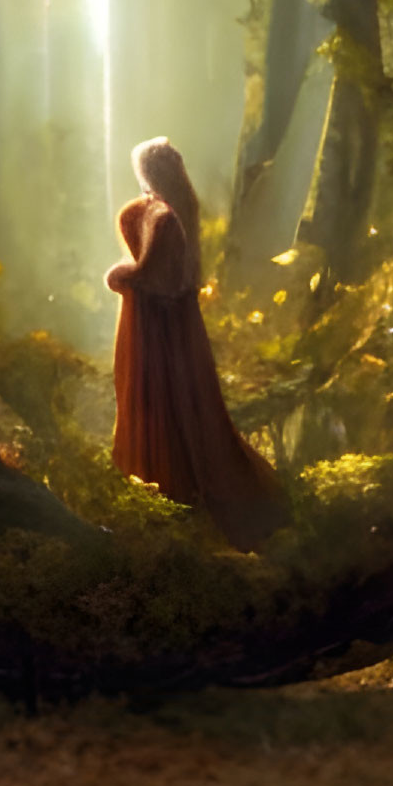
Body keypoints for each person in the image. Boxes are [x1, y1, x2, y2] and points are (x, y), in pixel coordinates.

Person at [106, 136, 287, 550]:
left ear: (151, 172)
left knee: (164, 400)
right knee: (173, 400)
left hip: (155, 326)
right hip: (167, 325)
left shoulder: (167, 217)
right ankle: (163, 486)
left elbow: (151, 274)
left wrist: (119, 277)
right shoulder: (172, 211)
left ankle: (171, 490)